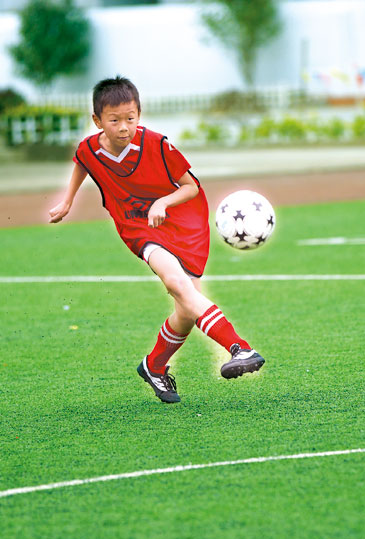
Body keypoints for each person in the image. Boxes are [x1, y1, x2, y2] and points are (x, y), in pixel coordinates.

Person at [49, 76, 264, 404]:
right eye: (115, 120)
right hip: (137, 227)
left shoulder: (158, 145)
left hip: (182, 222)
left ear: (140, 113)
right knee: (179, 285)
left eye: (131, 118)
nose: (124, 126)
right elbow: (82, 162)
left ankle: (154, 366)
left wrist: (163, 202)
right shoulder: (90, 148)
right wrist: (67, 201)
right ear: (97, 121)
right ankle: (239, 347)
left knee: (188, 309)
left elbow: (190, 186)